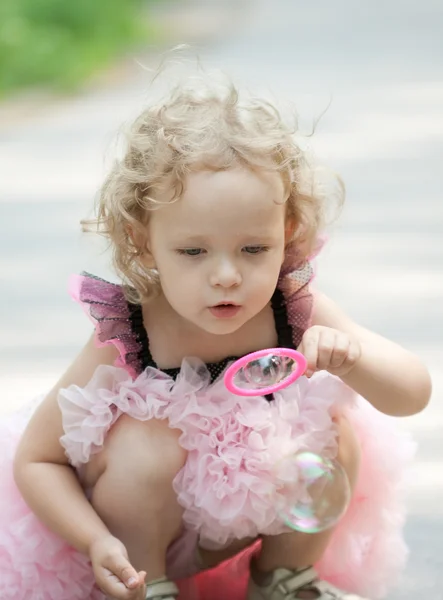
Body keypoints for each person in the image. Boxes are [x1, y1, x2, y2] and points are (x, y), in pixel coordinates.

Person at [1, 73, 431, 600]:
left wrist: (354, 359)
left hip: (240, 523)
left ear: (288, 232)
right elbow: (37, 460)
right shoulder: (132, 332)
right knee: (145, 444)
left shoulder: (294, 309)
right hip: (144, 537)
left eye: (253, 249)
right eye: (193, 252)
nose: (226, 276)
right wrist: (95, 541)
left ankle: (283, 579)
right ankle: (150, 587)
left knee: (335, 430)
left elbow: (412, 393)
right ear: (143, 242)